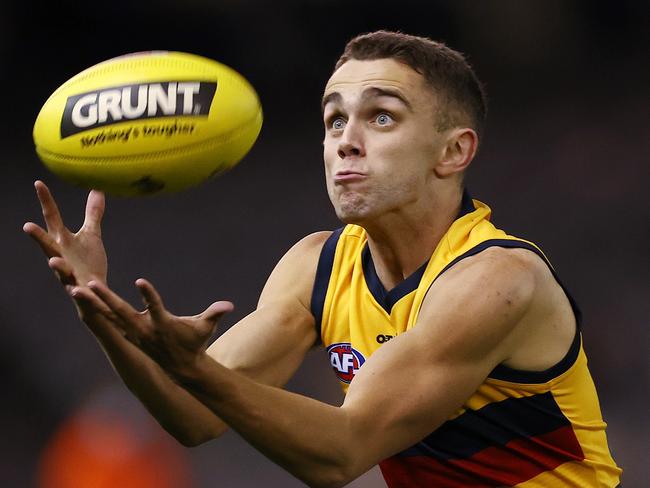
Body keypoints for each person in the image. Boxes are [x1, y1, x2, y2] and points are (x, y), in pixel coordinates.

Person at [25, 31, 622, 487]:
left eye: (381, 115)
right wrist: (99, 307)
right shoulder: (319, 266)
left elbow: (342, 451)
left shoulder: (499, 279)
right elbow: (191, 416)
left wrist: (194, 369)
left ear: (454, 150)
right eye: (334, 118)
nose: (345, 139)